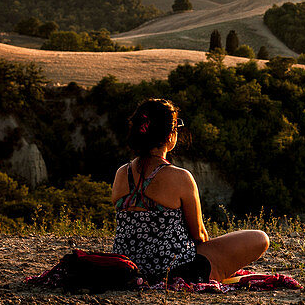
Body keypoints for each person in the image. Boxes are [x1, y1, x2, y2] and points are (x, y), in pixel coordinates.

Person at [110, 98, 269, 283]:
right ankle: (214, 272)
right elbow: (199, 235)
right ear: (170, 135)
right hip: (171, 269)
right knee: (260, 238)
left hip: (128, 266)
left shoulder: (122, 173)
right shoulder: (179, 177)